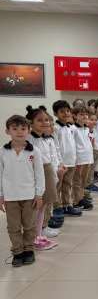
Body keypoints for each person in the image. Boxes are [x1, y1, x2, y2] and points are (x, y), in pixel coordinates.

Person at [0, 114, 45, 267]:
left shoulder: (34, 151)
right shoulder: (3, 152)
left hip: (29, 196)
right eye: (15, 129)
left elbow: (39, 174)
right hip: (10, 197)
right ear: (7, 131)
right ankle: (18, 252)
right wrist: (1, 195)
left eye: (23, 128)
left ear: (28, 130)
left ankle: (29, 250)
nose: (19, 132)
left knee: (29, 225)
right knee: (13, 227)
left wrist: (39, 194)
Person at [26, 106, 58, 251]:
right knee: (36, 207)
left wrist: (55, 175)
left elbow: (51, 157)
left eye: (46, 120)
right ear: (31, 123)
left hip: (48, 171)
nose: (45, 123)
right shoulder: (29, 140)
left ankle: (38, 235)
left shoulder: (46, 139)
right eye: (39, 120)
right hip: (36, 174)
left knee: (43, 205)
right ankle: (33, 237)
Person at [52, 100, 81, 217]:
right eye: (62, 111)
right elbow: (56, 146)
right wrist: (59, 162)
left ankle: (67, 205)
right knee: (57, 186)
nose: (66, 113)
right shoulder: (55, 128)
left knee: (68, 184)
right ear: (55, 113)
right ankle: (56, 207)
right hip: (61, 163)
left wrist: (75, 159)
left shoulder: (70, 127)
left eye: (68, 111)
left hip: (71, 161)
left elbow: (73, 144)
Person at [72, 106, 94, 210]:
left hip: (87, 157)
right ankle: (77, 200)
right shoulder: (73, 129)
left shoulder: (86, 128)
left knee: (83, 180)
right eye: (81, 114)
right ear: (75, 116)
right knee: (77, 179)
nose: (85, 116)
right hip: (79, 158)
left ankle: (81, 196)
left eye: (86, 114)